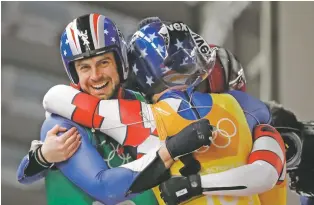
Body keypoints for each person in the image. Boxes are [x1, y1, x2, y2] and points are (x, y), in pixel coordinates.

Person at [41, 20, 286, 205]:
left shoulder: (147, 116)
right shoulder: (241, 111)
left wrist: (195, 185)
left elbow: (60, 99)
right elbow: (266, 173)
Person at [16, 13, 214, 205]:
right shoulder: (61, 125)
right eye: (84, 67)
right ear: (74, 74)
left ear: (120, 62)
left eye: (103, 63)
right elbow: (106, 190)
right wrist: (171, 149)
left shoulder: (145, 101)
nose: (96, 76)